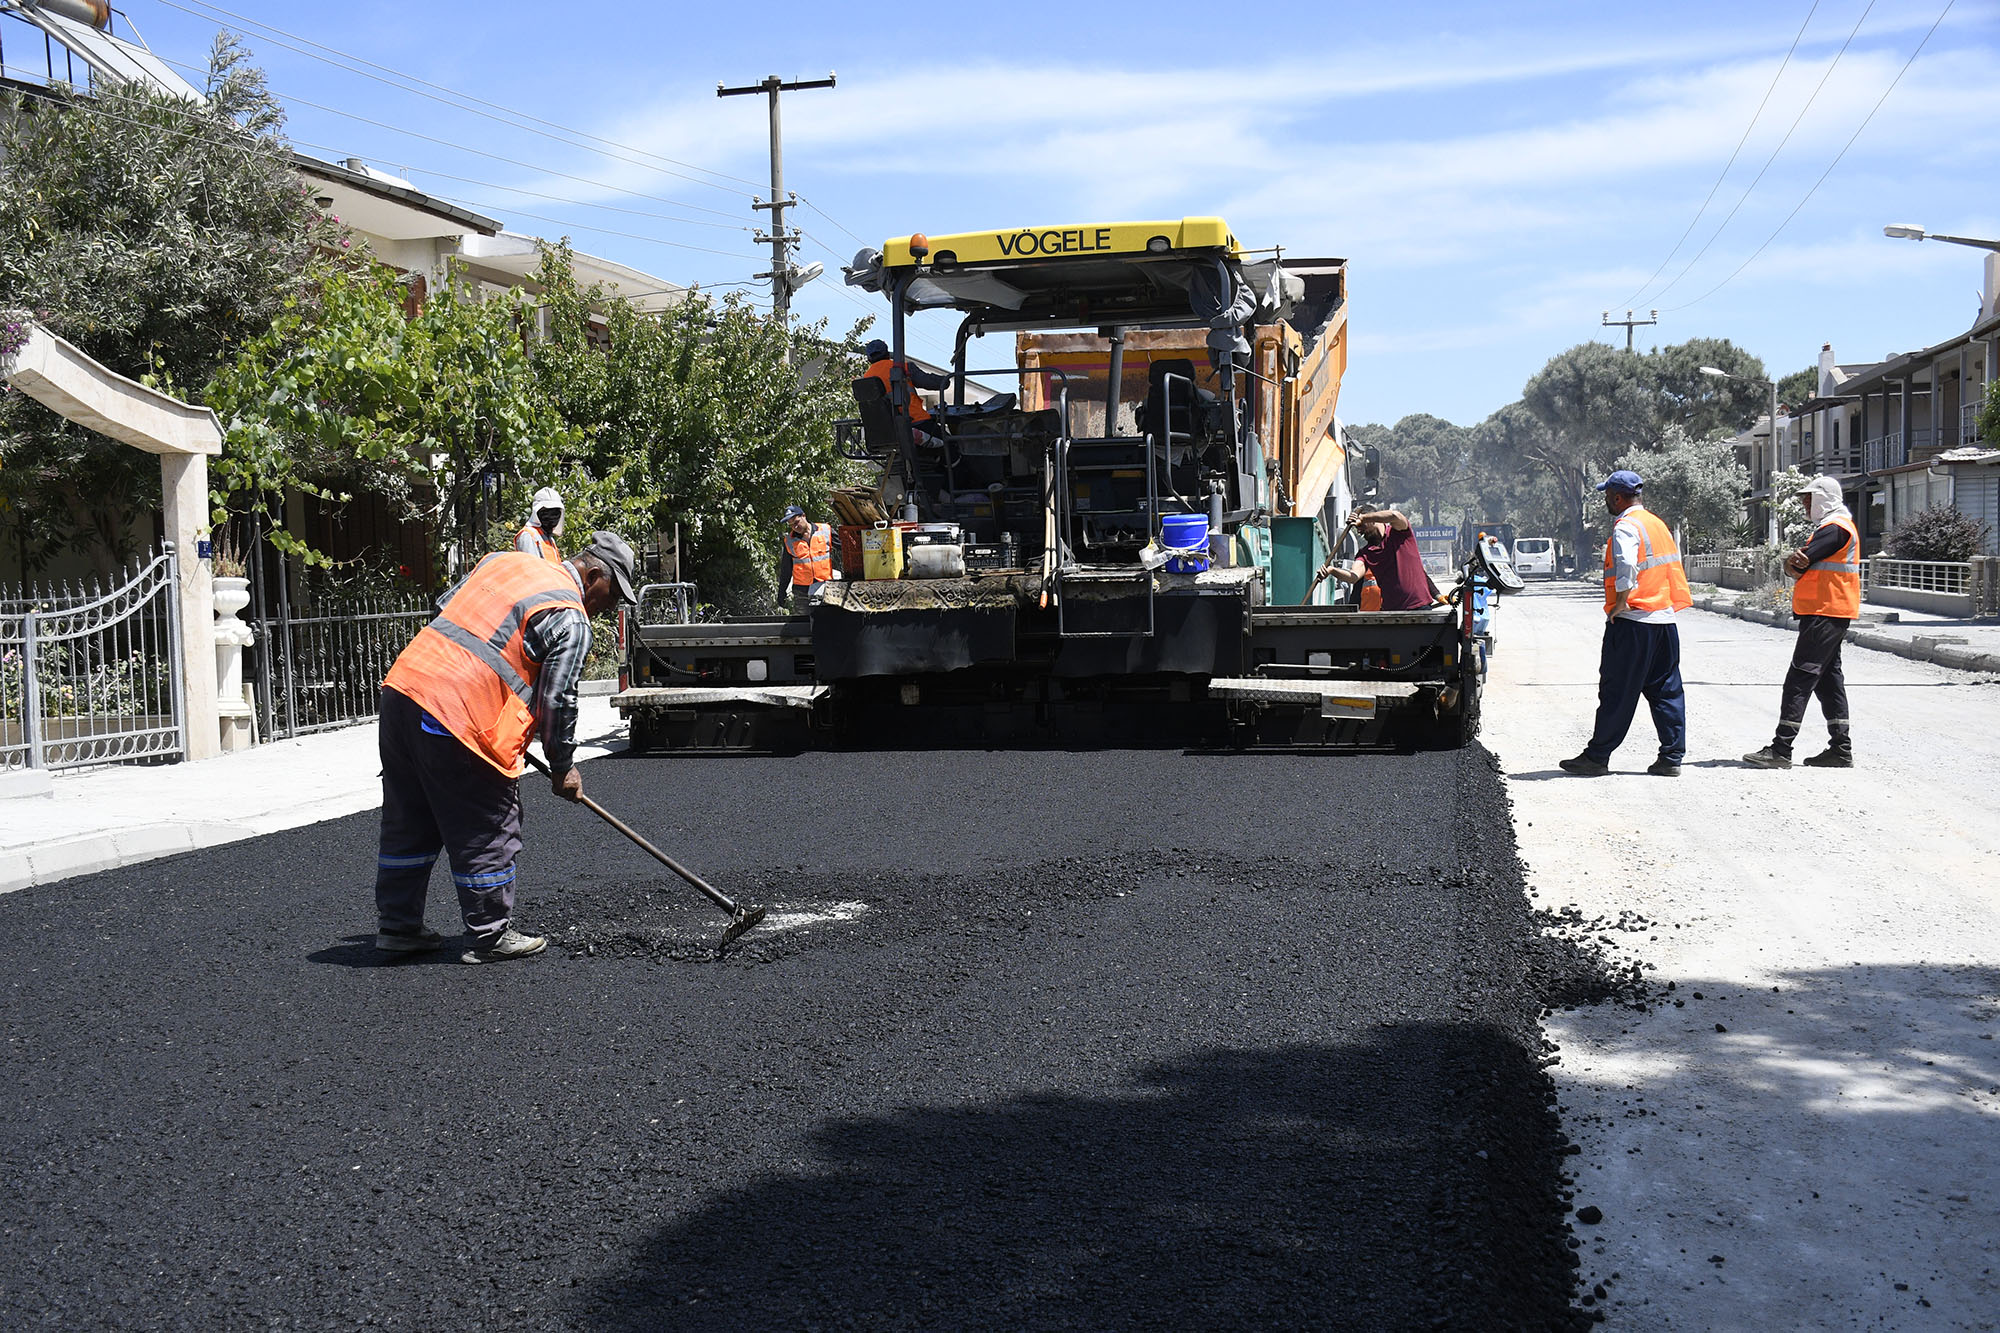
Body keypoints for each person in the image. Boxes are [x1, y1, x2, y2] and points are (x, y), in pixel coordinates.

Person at [373, 531, 638, 964]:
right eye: (611, 596)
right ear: (593, 575)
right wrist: (562, 766)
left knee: (410, 817)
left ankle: (398, 927)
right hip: (459, 715)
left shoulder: (504, 562)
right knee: (489, 820)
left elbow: (446, 609)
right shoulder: (570, 617)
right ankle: (489, 934)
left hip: (403, 692)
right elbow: (558, 700)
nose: (609, 608)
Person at [1561, 470, 1690, 778]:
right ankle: (1671, 757)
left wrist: (1621, 601)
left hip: (1634, 622)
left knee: (1617, 690)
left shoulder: (1626, 526)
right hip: (1664, 621)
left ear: (1617, 498)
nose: (1606, 501)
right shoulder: (1656, 524)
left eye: (1607, 496)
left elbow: (1627, 564)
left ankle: (1597, 757)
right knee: (1667, 690)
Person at [1743, 476, 1860, 769]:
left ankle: (1781, 749)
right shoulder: (1832, 527)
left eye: (1809, 498)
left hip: (1825, 611)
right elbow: (1795, 565)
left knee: (1800, 676)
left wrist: (1790, 563)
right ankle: (1840, 749)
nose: (1805, 504)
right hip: (1830, 611)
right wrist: (1791, 563)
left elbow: (1798, 564)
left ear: (1825, 498)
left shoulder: (1835, 528)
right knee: (1828, 681)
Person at [1312, 508, 1433, 610]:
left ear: (1373, 520)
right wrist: (1332, 570)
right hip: (1392, 612)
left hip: (1419, 607)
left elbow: (1395, 515)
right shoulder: (1366, 553)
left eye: (1361, 526)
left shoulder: (1400, 533)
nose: (1359, 531)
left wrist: (1362, 517)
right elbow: (1353, 577)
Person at [861, 338, 950, 443]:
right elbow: (929, 382)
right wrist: (945, 380)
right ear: (887, 354)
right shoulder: (904, 368)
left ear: (869, 359)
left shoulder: (865, 379)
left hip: (886, 430)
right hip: (916, 422)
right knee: (953, 444)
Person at [778, 504, 835, 610]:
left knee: (827, 618)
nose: (795, 527)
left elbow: (846, 546)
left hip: (825, 587)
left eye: (796, 522)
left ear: (803, 516)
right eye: (791, 525)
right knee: (803, 620)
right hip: (802, 592)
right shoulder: (789, 541)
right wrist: (782, 592)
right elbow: (786, 570)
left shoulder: (825, 530)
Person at [515, 487, 564, 563]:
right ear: (537, 512)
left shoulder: (549, 538)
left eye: (556, 512)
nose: (552, 517)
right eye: (547, 512)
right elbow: (532, 567)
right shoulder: (528, 536)